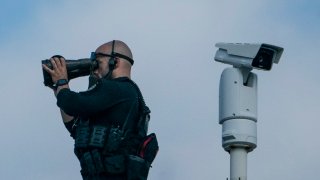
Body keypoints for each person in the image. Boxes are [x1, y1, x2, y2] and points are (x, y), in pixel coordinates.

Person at [43, 40, 158, 180]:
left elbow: (71, 104)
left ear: (114, 62)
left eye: (98, 62)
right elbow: (75, 128)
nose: (94, 69)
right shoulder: (128, 94)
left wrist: (62, 82)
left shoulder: (115, 89)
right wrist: (59, 91)